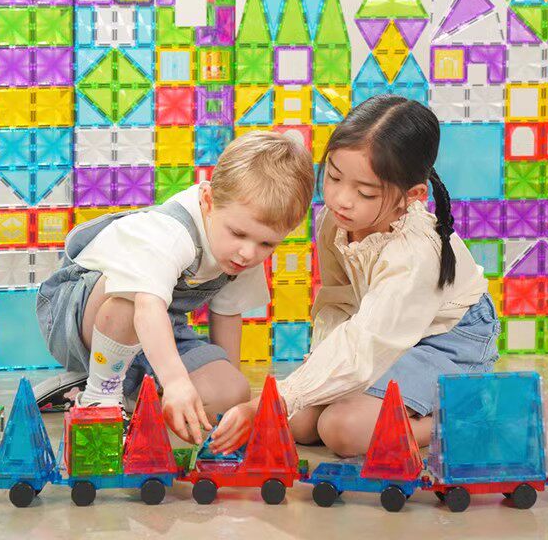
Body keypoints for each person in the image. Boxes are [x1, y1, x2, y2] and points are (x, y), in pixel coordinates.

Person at [212, 95, 499, 456]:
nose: (341, 199)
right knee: (300, 422)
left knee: (342, 430)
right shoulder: (337, 221)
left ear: (411, 196)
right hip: (384, 332)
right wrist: (317, 370)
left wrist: (279, 398)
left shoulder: (414, 253)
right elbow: (340, 303)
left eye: (364, 192)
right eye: (333, 176)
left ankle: (471, 415)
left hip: (448, 339)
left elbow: (368, 345)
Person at [36, 131, 314, 444]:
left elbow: (227, 314)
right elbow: (147, 307)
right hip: (79, 315)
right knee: (133, 296)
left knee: (231, 392)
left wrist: (224, 388)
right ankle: (99, 396)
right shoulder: (170, 233)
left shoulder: (242, 253)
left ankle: (117, 390)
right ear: (207, 200)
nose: (249, 253)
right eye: (238, 234)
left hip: (159, 326)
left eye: (267, 243)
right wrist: (176, 381)